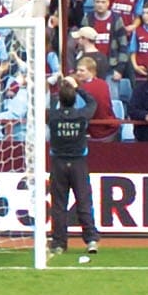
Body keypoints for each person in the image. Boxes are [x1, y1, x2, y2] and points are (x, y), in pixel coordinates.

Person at [47, 69, 97, 262]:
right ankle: (91, 239)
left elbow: (51, 101)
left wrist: (60, 86)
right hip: (78, 163)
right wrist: (77, 87)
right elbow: (93, 103)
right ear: (75, 98)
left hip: (58, 162)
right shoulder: (81, 115)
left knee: (59, 204)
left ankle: (59, 243)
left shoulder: (52, 116)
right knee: (83, 201)